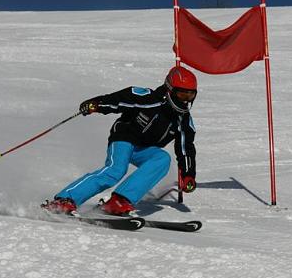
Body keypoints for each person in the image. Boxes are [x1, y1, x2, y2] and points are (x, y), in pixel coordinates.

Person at [41, 65, 198, 216]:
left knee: (162, 158)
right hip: (124, 138)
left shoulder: (183, 120)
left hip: (144, 149)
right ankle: (64, 200)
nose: (186, 100)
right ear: (170, 90)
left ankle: (119, 201)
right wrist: (97, 104)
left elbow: (185, 149)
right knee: (116, 170)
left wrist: (188, 175)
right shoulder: (149, 99)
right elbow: (119, 100)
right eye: (182, 94)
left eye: (191, 95)